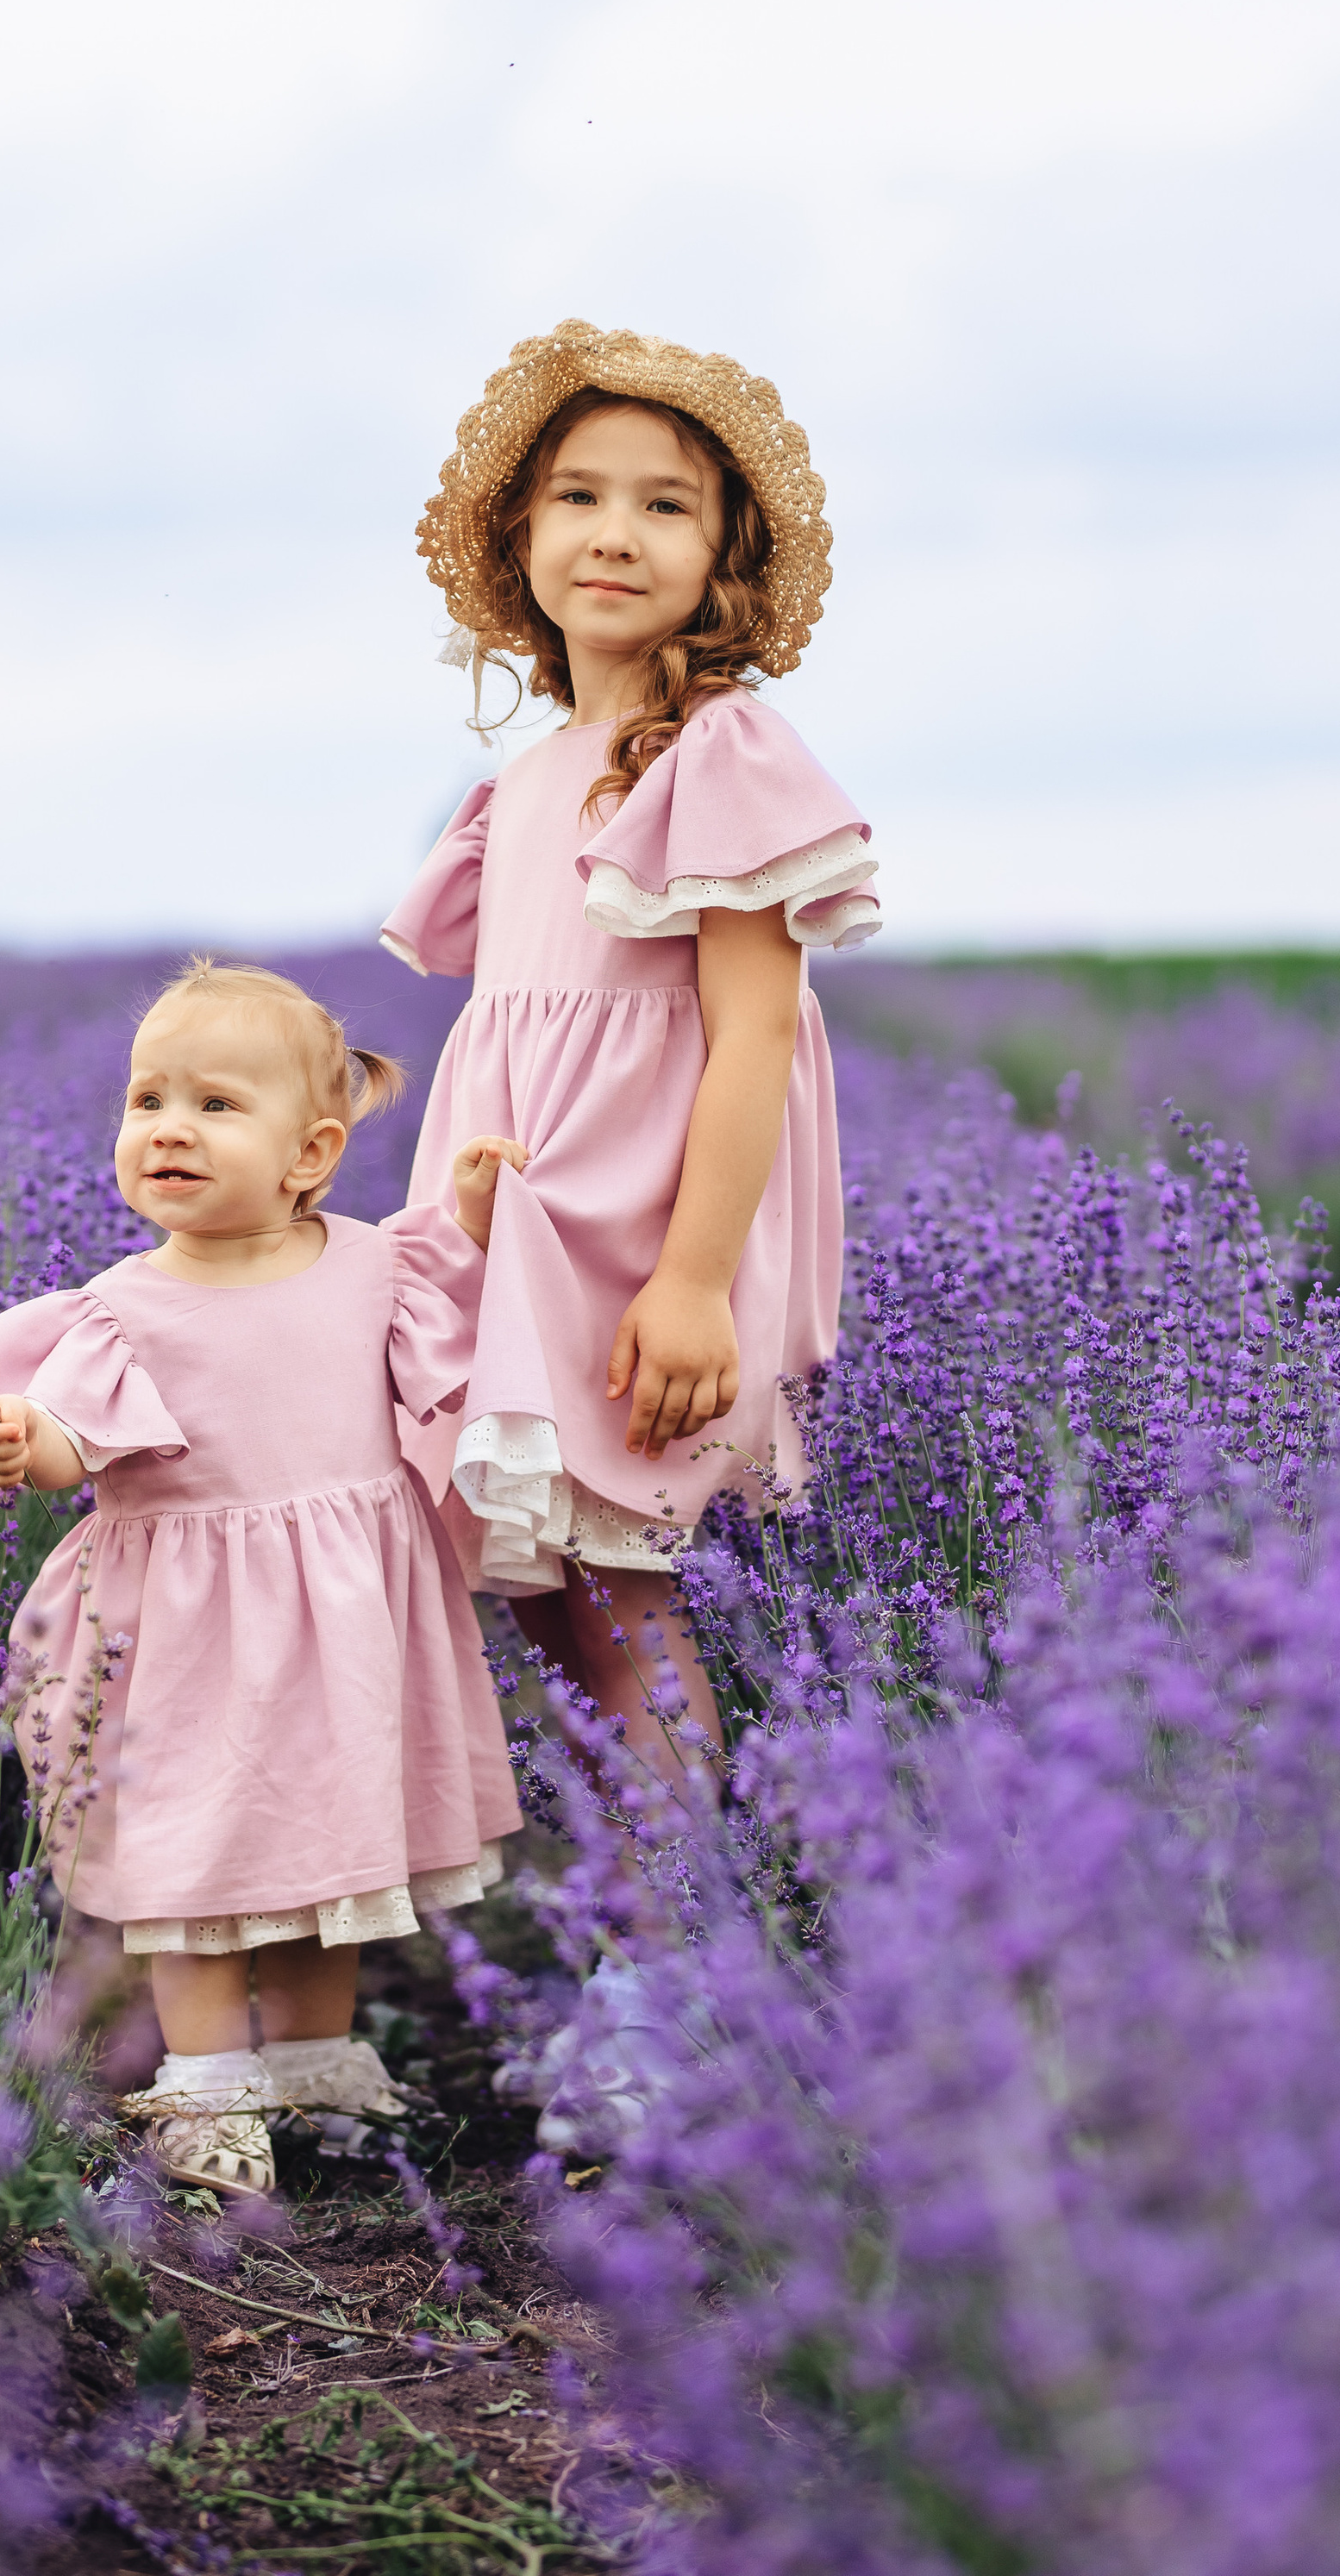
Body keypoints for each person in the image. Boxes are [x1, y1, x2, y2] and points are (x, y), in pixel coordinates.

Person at [0, 960, 524, 2198]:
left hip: (346, 1624)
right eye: (148, 1100)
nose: (169, 1129)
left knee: (329, 1849)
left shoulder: (375, 1268)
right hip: (186, 1634)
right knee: (194, 1859)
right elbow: (69, 1440)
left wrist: (471, 1214)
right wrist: (19, 1443)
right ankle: (205, 2086)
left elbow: (471, 1313)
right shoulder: (121, 1309)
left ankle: (314, 2065)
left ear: (311, 1152)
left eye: (214, 1106)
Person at [385, 318, 880, 1798]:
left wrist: (692, 1281)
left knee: (623, 1599)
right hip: (518, 1225)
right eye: (581, 496)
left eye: (668, 505)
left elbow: (754, 1038)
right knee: (546, 1594)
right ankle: (631, 1925)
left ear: (724, 558)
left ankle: (671, 1980)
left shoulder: (718, 753)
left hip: (639, 1239)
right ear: (521, 534)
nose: (617, 533)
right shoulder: (524, 779)